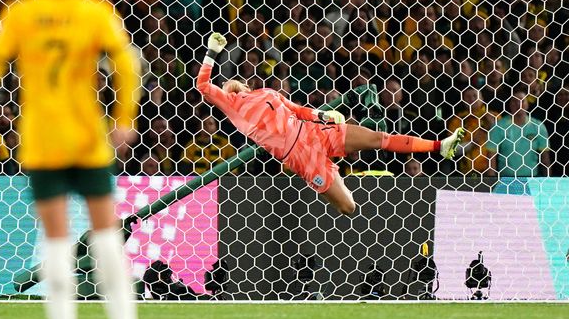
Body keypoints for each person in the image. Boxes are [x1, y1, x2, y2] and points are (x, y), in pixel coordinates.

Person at [0, 0, 141, 319]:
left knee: (57, 240)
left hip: (43, 142)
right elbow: (126, 64)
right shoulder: (96, 11)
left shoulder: (22, 12)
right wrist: (124, 119)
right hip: (87, 139)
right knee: (104, 238)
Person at [198, 33, 465, 215]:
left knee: (376, 138)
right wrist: (212, 53)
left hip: (314, 131)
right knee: (348, 207)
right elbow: (202, 85)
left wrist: (323, 115)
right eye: (225, 86)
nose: (228, 86)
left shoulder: (268, 93)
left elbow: (299, 110)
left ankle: (439, 145)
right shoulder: (231, 105)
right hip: (300, 156)